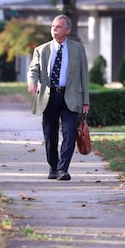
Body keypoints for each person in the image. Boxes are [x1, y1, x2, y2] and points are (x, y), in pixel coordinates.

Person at [27, 14, 90, 181]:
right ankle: (53, 167)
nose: (54, 29)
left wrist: (86, 101)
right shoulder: (41, 50)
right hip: (49, 96)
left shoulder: (78, 49)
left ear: (67, 30)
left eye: (59, 27)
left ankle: (63, 169)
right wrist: (32, 82)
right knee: (50, 134)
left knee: (69, 132)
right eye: (53, 26)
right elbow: (33, 70)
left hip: (71, 96)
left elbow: (84, 76)